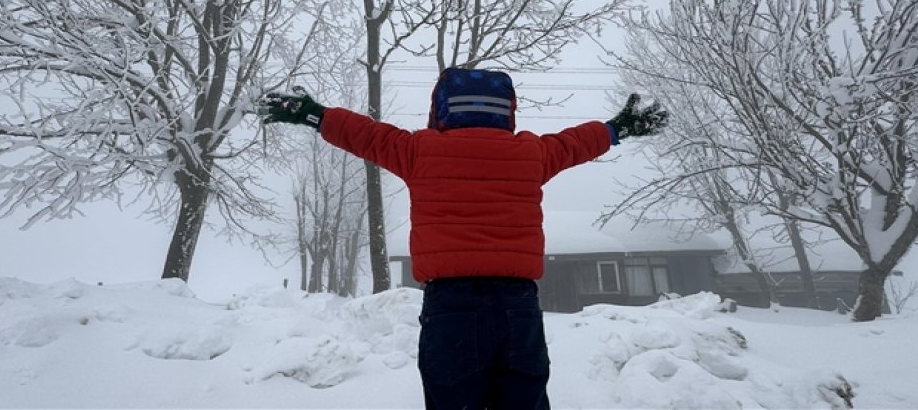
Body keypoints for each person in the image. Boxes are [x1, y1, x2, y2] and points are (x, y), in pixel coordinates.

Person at [257, 68, 668, 410]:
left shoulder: (420, 150)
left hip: (450, 308)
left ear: (442, 108)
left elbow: (365, 134)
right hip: (517, 308)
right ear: (506, 111)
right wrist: (619, 127)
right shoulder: (530, 153)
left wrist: (313, 114)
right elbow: (577, 143)